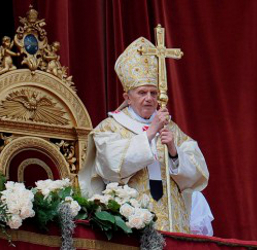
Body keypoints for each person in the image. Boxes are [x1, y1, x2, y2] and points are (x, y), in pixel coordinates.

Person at [78, 37, 209, 233]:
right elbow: (110, 167)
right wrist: (150, 134)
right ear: (127, 97)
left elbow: (197, 175)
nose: (149, 98)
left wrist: (174, 151)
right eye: (142, 92)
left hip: (174, 221)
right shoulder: (110, 127)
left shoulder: (171, 128)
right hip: (131, 221)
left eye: (153, 93)